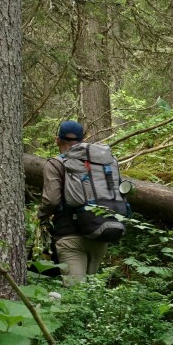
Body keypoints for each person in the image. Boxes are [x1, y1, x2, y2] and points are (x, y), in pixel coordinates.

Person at [39, 120, 108, 285]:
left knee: (75, 294)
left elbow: (51, 200)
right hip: (101, 233)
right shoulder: (98, 162)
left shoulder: (55, 164)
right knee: (92, 294)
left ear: (57, 140)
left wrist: (40, 216)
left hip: (70, 236)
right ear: (81, 140)